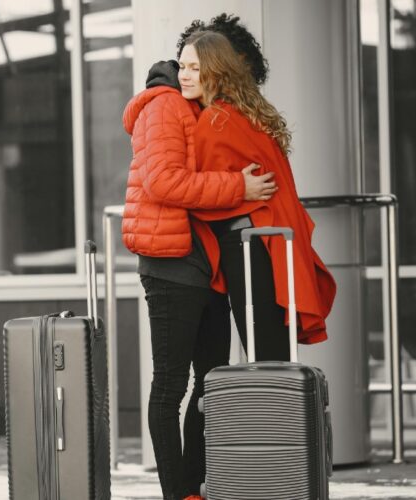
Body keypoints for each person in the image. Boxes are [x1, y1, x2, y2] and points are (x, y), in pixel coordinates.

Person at [122, 14, 290, 500]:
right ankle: (178, 492)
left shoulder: (197, 110)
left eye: (199, 66)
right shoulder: (164, 108)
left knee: (211, 382)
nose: (191, 73)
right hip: (172, 266)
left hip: (205, 267)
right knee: (170, 387)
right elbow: (165, 183)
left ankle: (196, 485)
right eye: (186, 65)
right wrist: (239, 186)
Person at [179, 30, 337, 362]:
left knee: (264, 358)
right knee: (276, 356)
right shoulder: (246, 115)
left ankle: (273, 414)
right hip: (270, 245)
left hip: (248, 247)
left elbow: (198, 195)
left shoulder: (214, 120)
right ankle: (285, 413)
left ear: (216, 70)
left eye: (195, 67)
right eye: (182, 66)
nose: (184, 75)